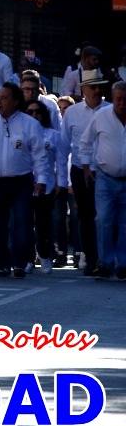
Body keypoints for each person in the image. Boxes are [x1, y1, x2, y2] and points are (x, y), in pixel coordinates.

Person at [0, 83, 49, 278]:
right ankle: (2, 264)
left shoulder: (30, 124)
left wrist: (42, 179)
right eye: (0, 97)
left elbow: (40, 155)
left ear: (15, 101)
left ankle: (20, 263)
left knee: (21, 223)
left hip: (21, 180)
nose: (1, 102)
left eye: (5, 98)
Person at [63, 68, 111, 275]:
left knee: (105, 217)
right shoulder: (72, 113)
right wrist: (65, 179)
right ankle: (91, 259)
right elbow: (64, 147)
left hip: (104, 171)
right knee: (85, 216)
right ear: (83, 90)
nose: (97, 91)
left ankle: (106, 258)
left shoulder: (110, 110)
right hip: (79, 171)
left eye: (100, 87)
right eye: (92, 87)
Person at [79, 81, 126, 279]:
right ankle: (105, 262)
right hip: (105, 177)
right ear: (113, 98)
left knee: (125, 224)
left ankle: (123, 264)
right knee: (104, 219)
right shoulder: (101, 116)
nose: (122, 104)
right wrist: (86, 166)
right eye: (119, 100)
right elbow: (85, 141)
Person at [25, 100, 65, 274]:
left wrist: (60, 182)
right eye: (30, 112)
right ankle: (27, 258)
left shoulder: (54, 135)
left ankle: (44, 255)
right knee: (24, 224)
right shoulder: (22, 133)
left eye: (37, 112)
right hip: (25, 184)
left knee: (44, 224)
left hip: (47, 186)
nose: (34, 116)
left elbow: (61, 161)